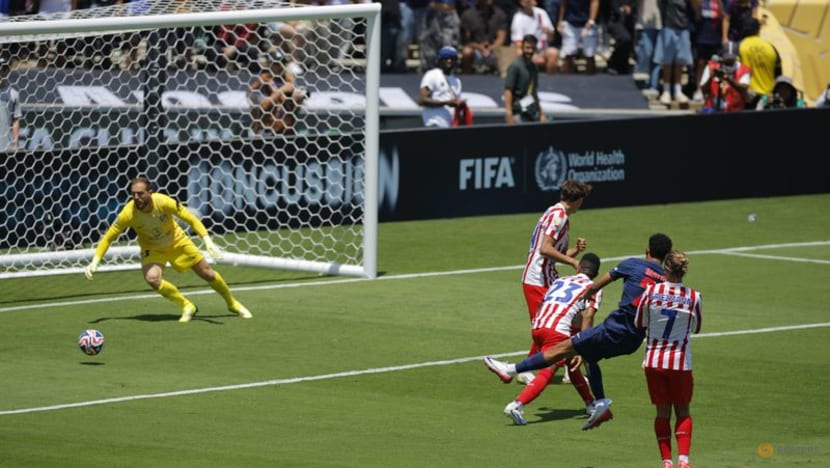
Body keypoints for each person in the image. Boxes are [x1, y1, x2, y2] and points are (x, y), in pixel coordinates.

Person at [484, 233, 673, 429]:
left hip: (603, 326)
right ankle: (597, 404)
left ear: (646, 250)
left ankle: (511, 372)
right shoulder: (668, 282)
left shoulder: (632, 264)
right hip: (634, 338)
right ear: (667, 256)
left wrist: (590, 293)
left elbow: (598, 287)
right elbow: (660, 316)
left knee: (564, 351)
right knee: (587, 357)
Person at [84, 176, 253, 323]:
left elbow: (191, 219)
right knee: (152, 279)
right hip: (152, 248)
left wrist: (207, 240)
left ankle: (232, 304)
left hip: (177, 241)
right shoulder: (128, 213)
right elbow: (108, 237)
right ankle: (187, 306)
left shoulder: (164, 201)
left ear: (150, 192)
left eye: (140, 193)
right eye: (133, 194)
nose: (136, 197)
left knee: (207, 273)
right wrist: (95, 261)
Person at [503, 253, 610, 427]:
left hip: (538, 325)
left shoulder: (560, 281)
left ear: (578, 267)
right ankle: (517, 405)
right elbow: (587, 316)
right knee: (550, 368)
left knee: (571, 362)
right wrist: (584, 344)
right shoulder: (593, 287)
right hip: (557, 330)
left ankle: (591, 404)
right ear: (596, 273)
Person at [516, 180, 591, 383]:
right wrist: (573, 260)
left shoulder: (557, 214)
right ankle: (527, 368)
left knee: (573, 315)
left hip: (548, 277)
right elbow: (545, 249)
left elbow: (553, 252)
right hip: (537, 279)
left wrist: (574, 250)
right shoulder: (558, 216)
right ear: (577, 200)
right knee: (550, 325)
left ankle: (570, 369)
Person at [634, 250, 702, 468]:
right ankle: (684, 460)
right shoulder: (693, 296)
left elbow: (639, 323)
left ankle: (666, 461)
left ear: (665, 268)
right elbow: (697, 328)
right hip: (680, 362)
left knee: (662, 411)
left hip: (654, 361)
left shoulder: (651, 292)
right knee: (683, 410)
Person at [248, 52, 307, 136]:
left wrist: (296, 98)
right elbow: (262, 106)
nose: (279, 67)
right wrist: (281, 91)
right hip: (266, 131)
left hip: (287, 130)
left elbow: (296, 104)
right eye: (276, 64)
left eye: (282, 63)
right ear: (269, 64)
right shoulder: (262, 82)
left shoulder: (289, 80)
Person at [655, 0, 694, 105]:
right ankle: (666, 90)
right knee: (667, 61)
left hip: (684, 27)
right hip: (669, 26)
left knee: (680, 61)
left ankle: (678, 90)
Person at [418, 45, 467, 128]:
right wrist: (446, 102)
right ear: (440, 60)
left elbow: (455, 104)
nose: (449, 61)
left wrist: (460, 105)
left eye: (452, 58)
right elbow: (422, 100)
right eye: (446, 58)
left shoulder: (457, 81)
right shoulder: (432, 75)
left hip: (449, 126)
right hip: (434, 124)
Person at [504, 34, 546, 124]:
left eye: (532, 48)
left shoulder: (534, 67)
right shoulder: (515, 66)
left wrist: (541, 113)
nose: (530, 51)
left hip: (531, 111)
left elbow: (534, 92)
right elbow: (508, 90)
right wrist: (509, 112)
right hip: (518, 112)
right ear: (522, 47)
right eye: (527, 48)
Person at [738, 18, 780, 108]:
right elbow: (778, 74)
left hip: (748, 97)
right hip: (768, 98)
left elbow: (736, 72)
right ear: (758, 30)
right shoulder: (770, 47)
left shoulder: (740, 46)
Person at [699, 41, 750, 112]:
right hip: (712, 110)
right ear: (721, 55)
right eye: (726, 59)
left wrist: (729, 80)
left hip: (735, 111)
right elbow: (703, 90)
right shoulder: (711, 67)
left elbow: (744, 89)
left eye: (731, 60)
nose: (728, 62)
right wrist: (711, 78)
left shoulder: (743, 69)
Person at [510, 0, 559, 74]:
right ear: (523, 3)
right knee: (520, 53)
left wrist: (548, 31)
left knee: (553, 53)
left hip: (542, 49)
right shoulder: (518, 18)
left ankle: (550, 78)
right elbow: (518, 44)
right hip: (527, 50)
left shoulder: (541, 13)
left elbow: (551, 37)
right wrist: (532, 53)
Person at [459, 0, 507, 74]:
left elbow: (501, 38)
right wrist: (479, 47)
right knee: (466, 52)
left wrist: (491, 48)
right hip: (475, 49)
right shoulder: (467, 15)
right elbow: (466, 41)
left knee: (506, 53)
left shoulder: (499, 14)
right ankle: (466, 76)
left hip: (493, 50)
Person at [691, 0, 725, 102]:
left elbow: (722, 16)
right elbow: (696, 17)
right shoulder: (701, 2)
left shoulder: (718, 2)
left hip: (715, 39)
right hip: (701, 38)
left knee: (714, 65)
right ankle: (699, 89)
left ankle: (712, 90)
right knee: (700, 64)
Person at [557, 0, 600, 74]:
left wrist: (591, 20)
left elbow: (595, 2)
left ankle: (591, 80)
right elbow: (563, 3)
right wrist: (560, 20)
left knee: (589, 54)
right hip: (570, 22)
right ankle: (566, 81)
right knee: (568, 54)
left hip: (587, 23)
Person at [0, 56, 21, 153]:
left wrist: (15, 144)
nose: (0, 72)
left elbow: (15, 120)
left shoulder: (14, 94)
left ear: (7, 71)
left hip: (6, 147)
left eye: (3, 69)